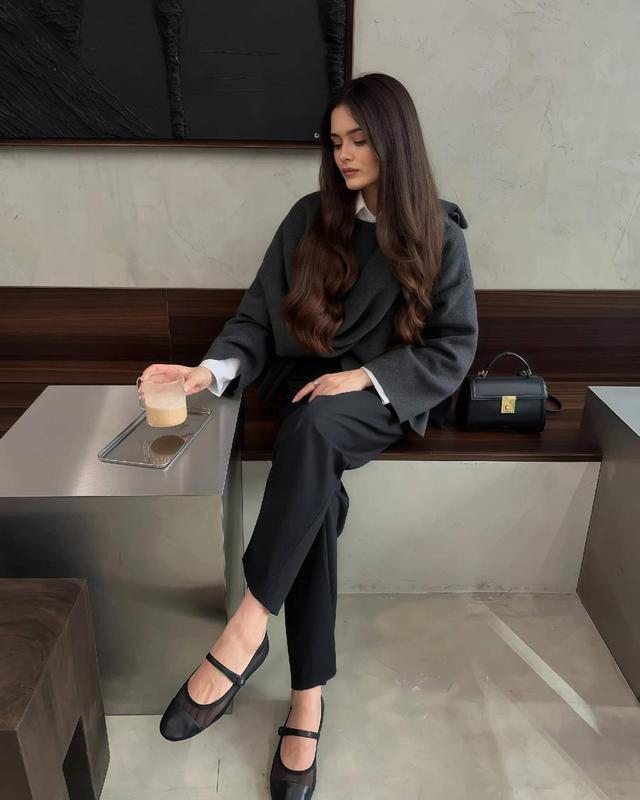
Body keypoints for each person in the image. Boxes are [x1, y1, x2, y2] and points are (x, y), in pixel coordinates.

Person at [138, 72, 478, 799]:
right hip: (302, 391)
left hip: (380, 396)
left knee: (317, 428)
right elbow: (257, 318)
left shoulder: (438, 234)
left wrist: (364, 377)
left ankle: (247, 628)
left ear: (394, 142)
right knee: (315, 484)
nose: (344, 154)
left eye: (359, 139)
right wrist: (210, 370)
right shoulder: (309, 219)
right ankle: (306, 702)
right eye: (336, 141)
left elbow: (453, 346)